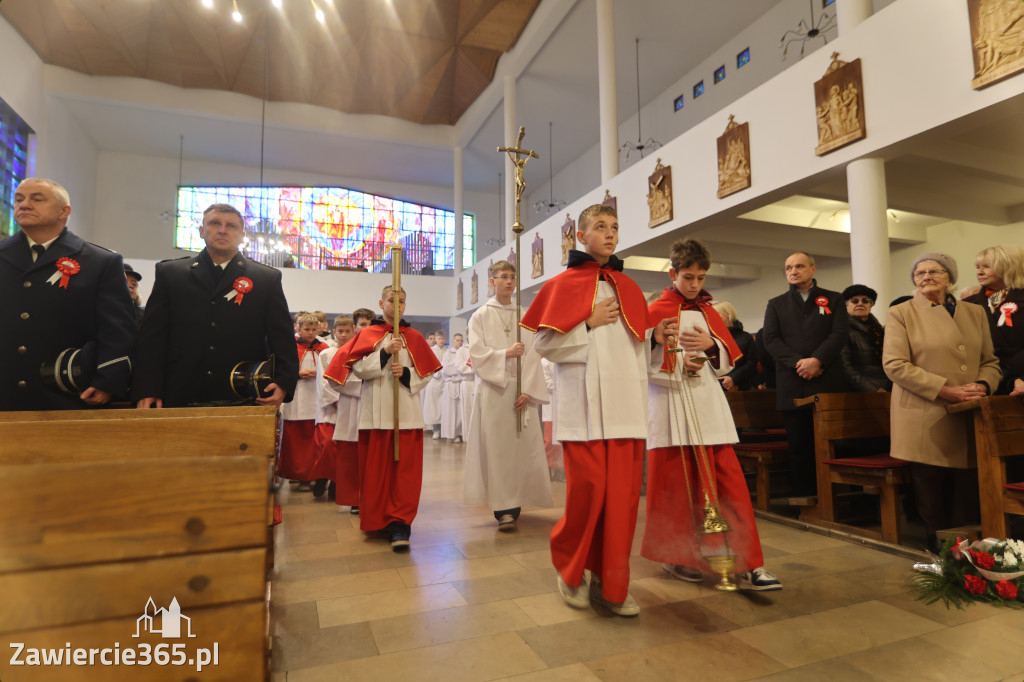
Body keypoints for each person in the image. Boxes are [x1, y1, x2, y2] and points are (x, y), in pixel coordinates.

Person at [522, 203, 671, 617]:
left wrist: (655, 337)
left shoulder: (630, 288)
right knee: (588, 496)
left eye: (615, 227)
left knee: (622, 501)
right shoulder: (561, 285)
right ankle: (571, 571)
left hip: (625, 407)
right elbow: (545, 346)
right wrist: (586, 322)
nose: (609, 233)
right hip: (584, 409)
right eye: (600, 227)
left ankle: (613, 580)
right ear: (581, 237)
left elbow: (641, 352)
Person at [642, 238, 780, 591]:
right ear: (673, 273)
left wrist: (711, 346)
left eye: (701, 278)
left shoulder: (709, 313)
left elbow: (726, 364)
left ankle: (749, 563)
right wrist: (668, 356)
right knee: (675, 487)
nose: (695, 285)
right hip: (671, 408)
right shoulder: (655, 310)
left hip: (708, 407)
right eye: (688, 277)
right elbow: (637, 361)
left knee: (729, 485)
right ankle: (677, 556)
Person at [883, 252, 1001, 552]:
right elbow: (895, 365)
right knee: (929, 480)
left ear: (950, 278)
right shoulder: (902, 312)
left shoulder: (974, 313)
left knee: (965, 480)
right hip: (926, 409)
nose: (925, 277)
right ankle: (936, 542)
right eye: (919, 272)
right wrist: (944, 389)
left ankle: (965, 545)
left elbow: (990, 360)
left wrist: (984, 383)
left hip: (967, 409)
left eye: (934, 271)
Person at [133, 203, 297, 408]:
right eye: (215, 223)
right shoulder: (171, 273)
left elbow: (281, 338)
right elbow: (152, 337)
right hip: (178, 391)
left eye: (231, 226)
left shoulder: (266, 278)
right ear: (202, 230)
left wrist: (283, 382)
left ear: (242, 234)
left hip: (241, 393)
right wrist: (148, 388)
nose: (222, 230)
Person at [1, 177, 136, 411]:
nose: (24, 204)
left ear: (64, 211)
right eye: (19, 199)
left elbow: (117, 330)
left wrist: (107, 381)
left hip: (64, 392)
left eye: (37, 198)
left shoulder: (100, 262)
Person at [324, 286, 441, 550]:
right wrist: (386, 352)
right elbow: (359, 369)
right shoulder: (368, 334)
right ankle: (378, 519)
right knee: (377, 472)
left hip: (407, 413)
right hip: (375, 414)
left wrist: (408, 374)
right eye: (392, 300)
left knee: (405, 473)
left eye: (402, 301)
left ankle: (401, 524)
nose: (397, 305)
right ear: (381, 303)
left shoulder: (414, 336)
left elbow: (428, 372)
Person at [464, 261, 552, 532]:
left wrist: (527, 389)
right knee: (499, 449)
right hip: (494, 389)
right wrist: (505, 354)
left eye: (513, 277)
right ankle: (503, 508)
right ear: (492, 281)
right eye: (503, 277)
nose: (509, 281)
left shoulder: (524, 314)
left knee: (520, 449)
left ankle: (518, 501)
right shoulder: (480, 315)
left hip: (520, 391)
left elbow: (532, 353)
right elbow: (477, 354)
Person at [762, 252, 849, 497]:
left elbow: (840, 333)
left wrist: (818, 360)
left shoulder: (833, 299)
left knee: (833, 443)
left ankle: (836, 496)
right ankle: (805, 497)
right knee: (799, 445)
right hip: (793, 382)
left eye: (799, 266)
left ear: (813, 269)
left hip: (826, 379)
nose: (793, 271)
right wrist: (800, 363)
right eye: (789, 267)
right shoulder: (776, 303)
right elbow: (770, 339)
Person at [962, 245, 1024, 396]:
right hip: (983, 383)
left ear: (1008, 267)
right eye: (978, 267)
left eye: (987, 267)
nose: (980, 272)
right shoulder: (966, 305)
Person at [311, 315, 358, 504]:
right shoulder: (326, 354)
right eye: (341, 331)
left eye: (348, 331)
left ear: (353, 330)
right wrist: (335, 400)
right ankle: (323, 477)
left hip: (350, 404)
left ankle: (337, 483)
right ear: (334, 332)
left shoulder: (358, 352)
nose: (344, 335)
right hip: (330, 408)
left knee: (344, 449)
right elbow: (323, 381)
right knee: (328, 446)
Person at [279, 313, 330, 483]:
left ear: (319, 329)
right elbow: (281, 369)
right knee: (296, 440)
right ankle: (295, 473)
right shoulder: (290, 347)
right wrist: (297, 374)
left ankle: (312, 474)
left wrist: (318, 373)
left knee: (312, 440)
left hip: (315, 398)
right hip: (297, 397)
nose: (310, 332)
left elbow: (330, 371)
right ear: (298, 329)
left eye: (313, 329)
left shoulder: (324, 348)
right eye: (306, 329)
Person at [840, 284, 890, 392]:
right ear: (846, 305)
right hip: (858, 392)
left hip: (888, 387)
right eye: (854, 301)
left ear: (871, 305)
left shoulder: (880, 330)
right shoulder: (841, 330)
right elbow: (844, 367)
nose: (860, 304)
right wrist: (873, 390)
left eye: (865, 301)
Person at [711, 301, 758, 391]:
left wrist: (733, 378)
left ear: (728, 315)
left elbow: (751, 363)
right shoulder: (710, 337)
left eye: (716, 314)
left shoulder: (745, 337)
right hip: (714, 386)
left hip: (740, 385)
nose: (712, 318)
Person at [440, 333, 466, 442]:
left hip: (460, 384)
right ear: (453, 341)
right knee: (451, 410)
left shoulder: (464, 352)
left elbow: (465, 368)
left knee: (461, 410)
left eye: (461, 340)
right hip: (450, 384)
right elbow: (445, 370)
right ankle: (451, 434)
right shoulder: (447, 353)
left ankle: (460, 433)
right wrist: (457, 368)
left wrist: (457, 369)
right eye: (457, 340)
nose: (459, 342)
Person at [423, 330, 446, 440]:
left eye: (443, 338)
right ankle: (435, 430)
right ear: (436, 339)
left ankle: (444, 430)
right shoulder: (430, 350)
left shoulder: (448, 351)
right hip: (433, 381)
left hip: (445, 382)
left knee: (444, 407)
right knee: (434, 407)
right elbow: (427, 364)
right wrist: (437, 373)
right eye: (439, 338)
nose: (441, 341)